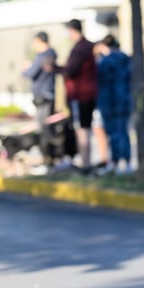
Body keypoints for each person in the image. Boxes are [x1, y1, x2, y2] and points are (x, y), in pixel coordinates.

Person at [56, 19, 98, 174]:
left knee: (82, 129)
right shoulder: (87, 46)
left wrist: (54, 68)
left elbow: (69, 71)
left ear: (73, 30)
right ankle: (85, 162)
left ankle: (85, 165)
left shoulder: (80, 48)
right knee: (83, 128)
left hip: (81, 95)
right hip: (87, 94)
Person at [94, 35, 133, 174]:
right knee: (124, 132)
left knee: (114, 134)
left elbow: (99, 80)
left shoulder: (105, 61)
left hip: (109, 102)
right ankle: (127, 162)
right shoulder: (127, 59)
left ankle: (116, 163)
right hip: (125, 100)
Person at [22, 31, 57, 170]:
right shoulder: (51, 54)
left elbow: (30, 73)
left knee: (44, 130)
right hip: (47, 95)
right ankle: (48, 160)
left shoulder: (43, 56)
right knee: (46, 129)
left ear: (39, 41)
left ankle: (47, 161)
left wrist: (25, 69)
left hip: (43, 96)